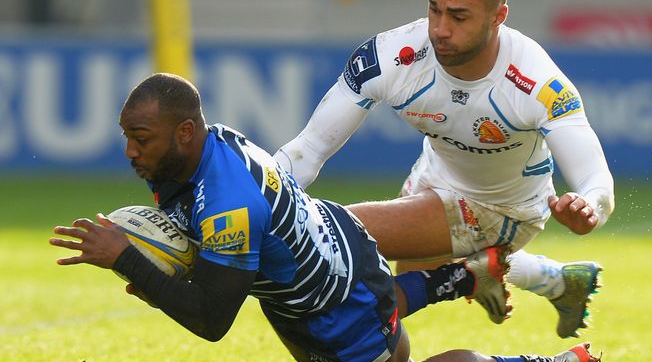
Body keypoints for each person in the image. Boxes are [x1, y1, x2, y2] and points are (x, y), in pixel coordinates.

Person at [49, 74, 600, 362]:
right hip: (327, 259)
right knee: (384, 332)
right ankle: (458, 276)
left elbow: (213, 321)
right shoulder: (204, 149)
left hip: (330, 298)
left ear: (184, 132)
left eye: (140, 139)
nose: (130, 152)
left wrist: (126, 258)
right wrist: (156, 270)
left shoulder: (227, 203)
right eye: (127, 137)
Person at [274, 0, 615, 338]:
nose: (439, 28)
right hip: (433, 177)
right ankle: (549, 279)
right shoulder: (393, 56)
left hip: (504, 209)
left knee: (337, 241)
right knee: (393, 286)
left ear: (498, 16)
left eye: (458, 16)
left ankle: (474, 276)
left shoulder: (537, 83)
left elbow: (596, 180)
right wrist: (259, 204)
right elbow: (310, 148)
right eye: (434, 9)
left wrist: (589, 207)